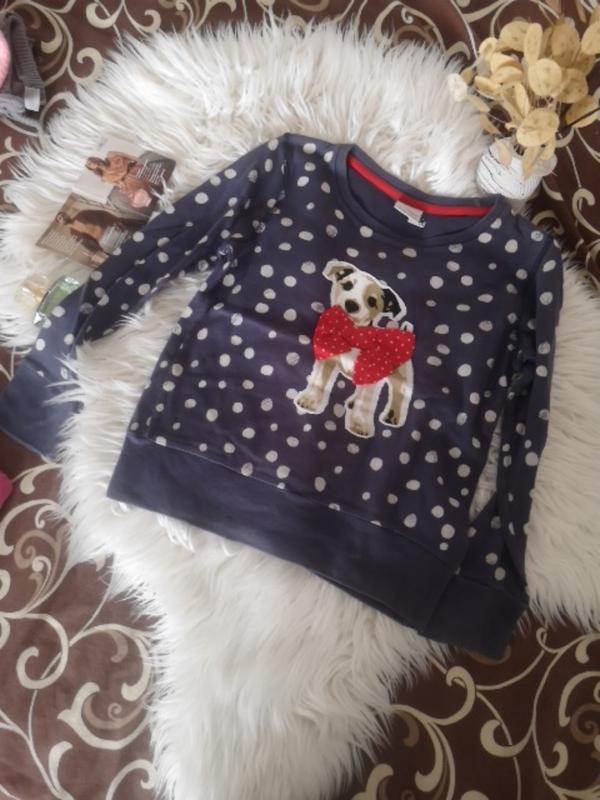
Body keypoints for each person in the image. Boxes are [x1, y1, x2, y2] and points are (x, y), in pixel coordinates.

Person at [55, 208, 139, 256]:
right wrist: (101, 250)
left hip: (111, 230)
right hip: (104, 242)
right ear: (60, 223)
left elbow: (101, 213)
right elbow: (86, 244)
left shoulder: (82, 214)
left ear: (67, 214)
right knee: (130, 251)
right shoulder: (73, 233)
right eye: (60, 218)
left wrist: (114, 221)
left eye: (63, 214)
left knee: (135, 236)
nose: (63, 217)